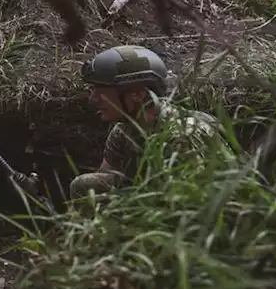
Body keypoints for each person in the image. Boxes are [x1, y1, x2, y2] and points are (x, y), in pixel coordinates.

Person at [68, 45, 217, 201]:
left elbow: (196, 203)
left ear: (138, 94)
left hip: (198, 208)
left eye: (101, 91)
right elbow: (105, 178)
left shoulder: (181, 135)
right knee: (83, 186)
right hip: (152, 195)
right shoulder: (123, 130)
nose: (92, 99)